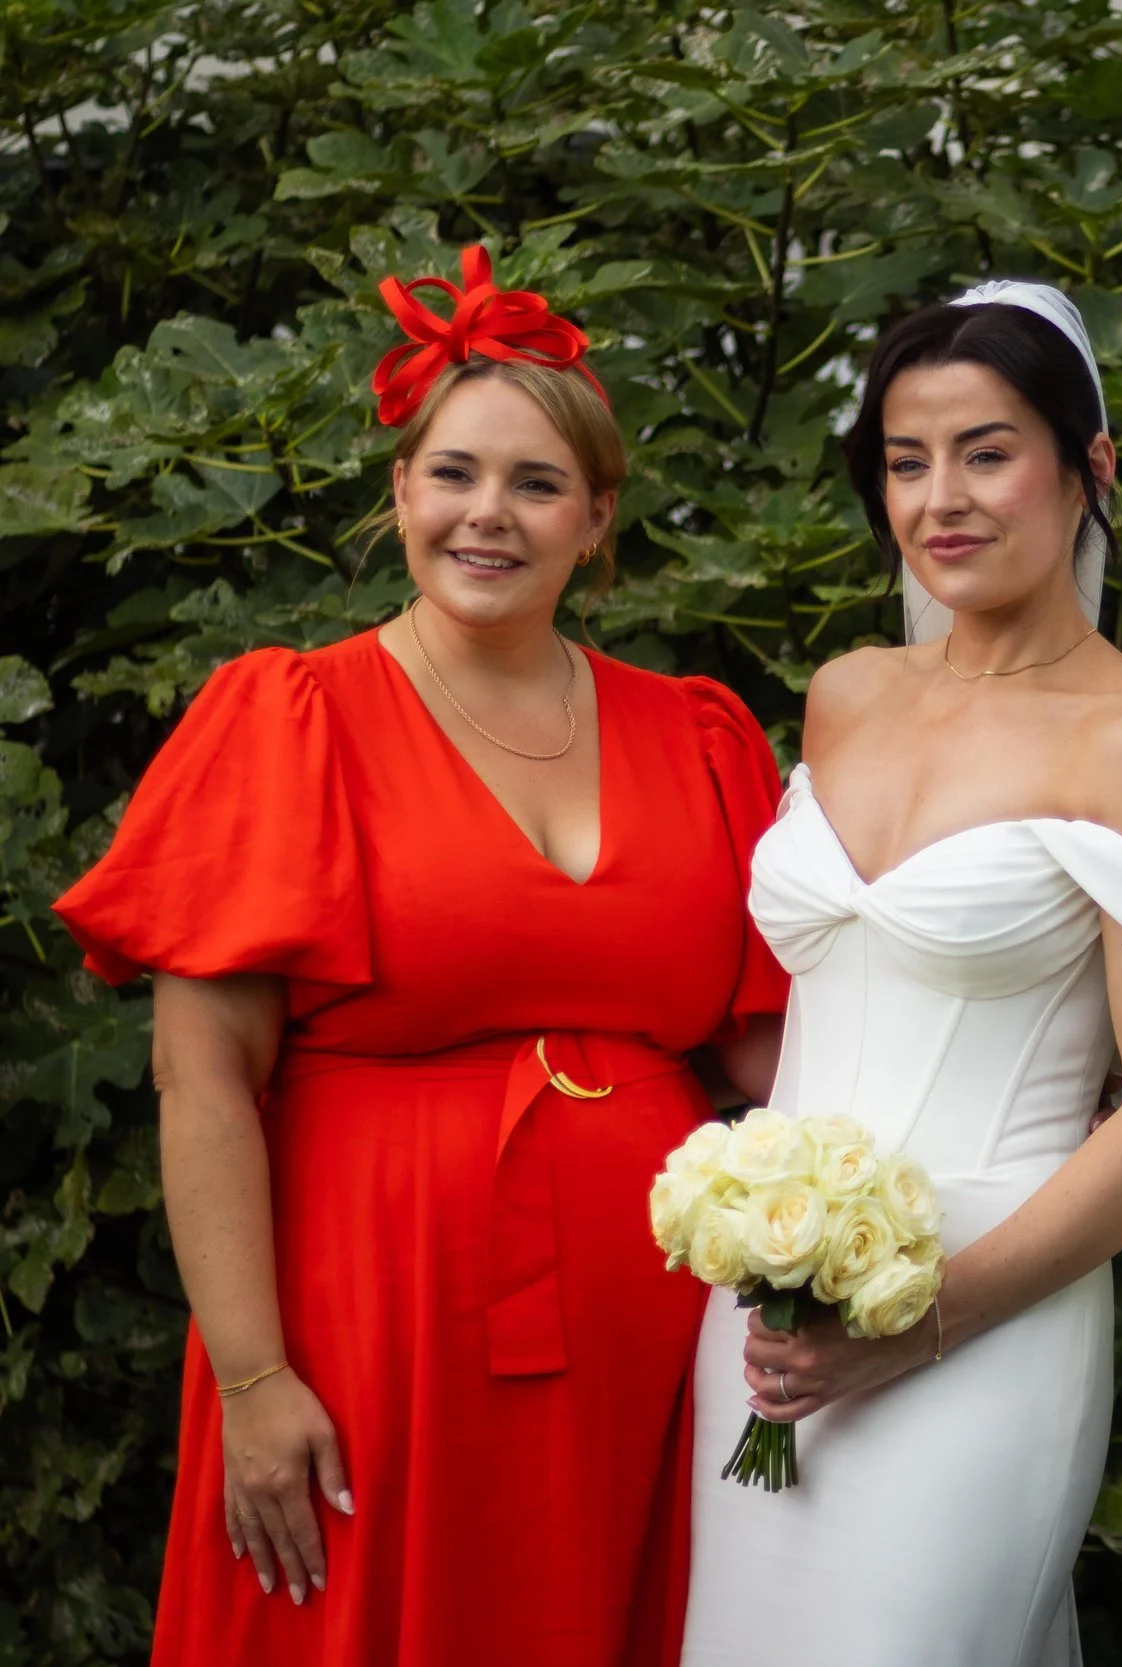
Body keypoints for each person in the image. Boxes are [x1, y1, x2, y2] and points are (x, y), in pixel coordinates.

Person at [51, 245, 789, 1667]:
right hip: (365, 1321)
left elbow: (771, 1049)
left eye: (535, 482)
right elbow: (201, 1076)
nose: (487, 515)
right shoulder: (292, 719)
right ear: (400, 493)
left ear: (599, 516)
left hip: (648, 1341)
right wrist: (257, 1376)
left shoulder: (696, 735)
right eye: (452, 474)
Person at [677, 283, 1122, 1667]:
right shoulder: (848, 691)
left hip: (985, 1318)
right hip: (762, 1308)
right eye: (906, 462)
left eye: (987, 452)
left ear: (1089, 466)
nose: (942, 500)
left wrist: (919, 1323)